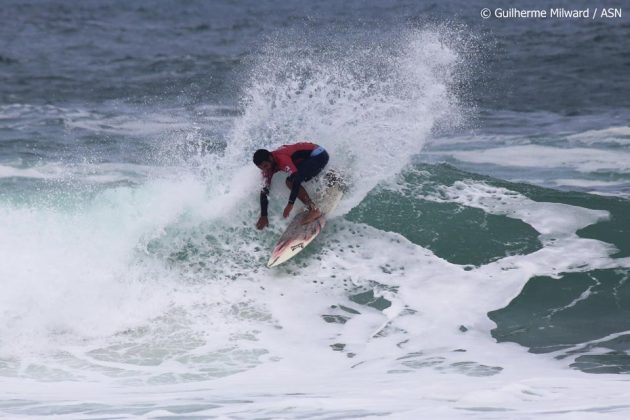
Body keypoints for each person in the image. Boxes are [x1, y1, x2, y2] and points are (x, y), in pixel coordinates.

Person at [253, 141, 329, 230]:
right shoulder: (267, 169)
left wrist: (290, 204)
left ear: (271, 158)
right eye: (261, 168)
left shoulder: (281, 158)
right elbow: (264, 191)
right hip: (308, 159)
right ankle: (330, 176)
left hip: (319, 155)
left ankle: (314, 210)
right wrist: (264, 215)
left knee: (291, 181)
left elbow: (296, 180)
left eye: (266, 166)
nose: (265, 170)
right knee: (298, 176)